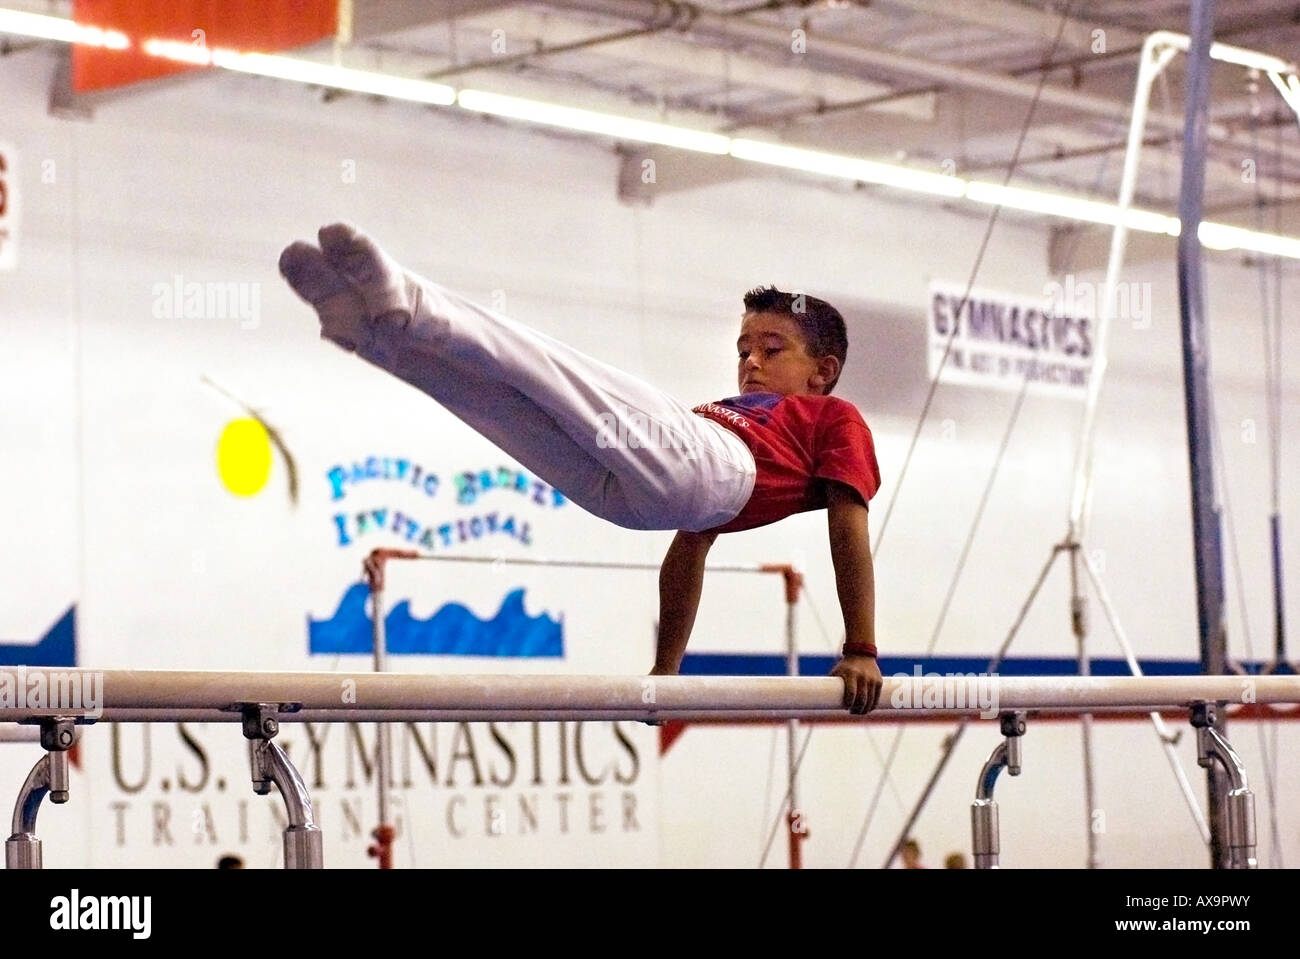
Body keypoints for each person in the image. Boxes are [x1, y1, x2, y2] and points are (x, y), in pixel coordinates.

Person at [279, 223, 884, 713]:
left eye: (771, 349)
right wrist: (666, 671)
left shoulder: (832, 417)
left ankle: (406, 303)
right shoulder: (721, 412)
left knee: (546, 369)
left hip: (714, 471)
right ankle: (368, 331)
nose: (750, 361)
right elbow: (689, 550)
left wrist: (861, 647)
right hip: (652, 497)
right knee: (504, 401)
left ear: (823, 371)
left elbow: (847, 527)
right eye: (743, 349)